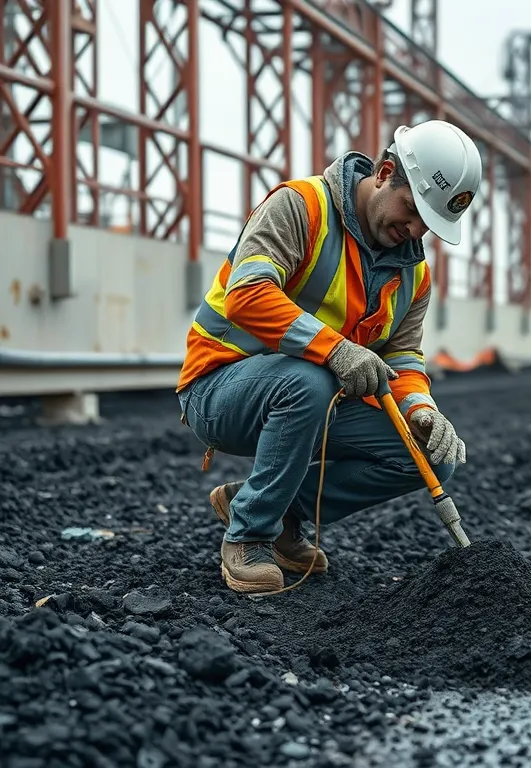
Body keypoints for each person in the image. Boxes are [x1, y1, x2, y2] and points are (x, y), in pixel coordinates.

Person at [175, 120, 481, 594]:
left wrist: (422, 411)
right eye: (413, 209)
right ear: (383, 173)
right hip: (219, 389)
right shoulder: (301, 207)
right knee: (308, 380)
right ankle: (249, 534)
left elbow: (402, 356)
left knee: (431, 460)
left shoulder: (414, 274)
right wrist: (336, 350)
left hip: (315, 401)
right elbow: (247, 294)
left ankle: (274, 508)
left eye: (429, 223)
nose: (416, 229)